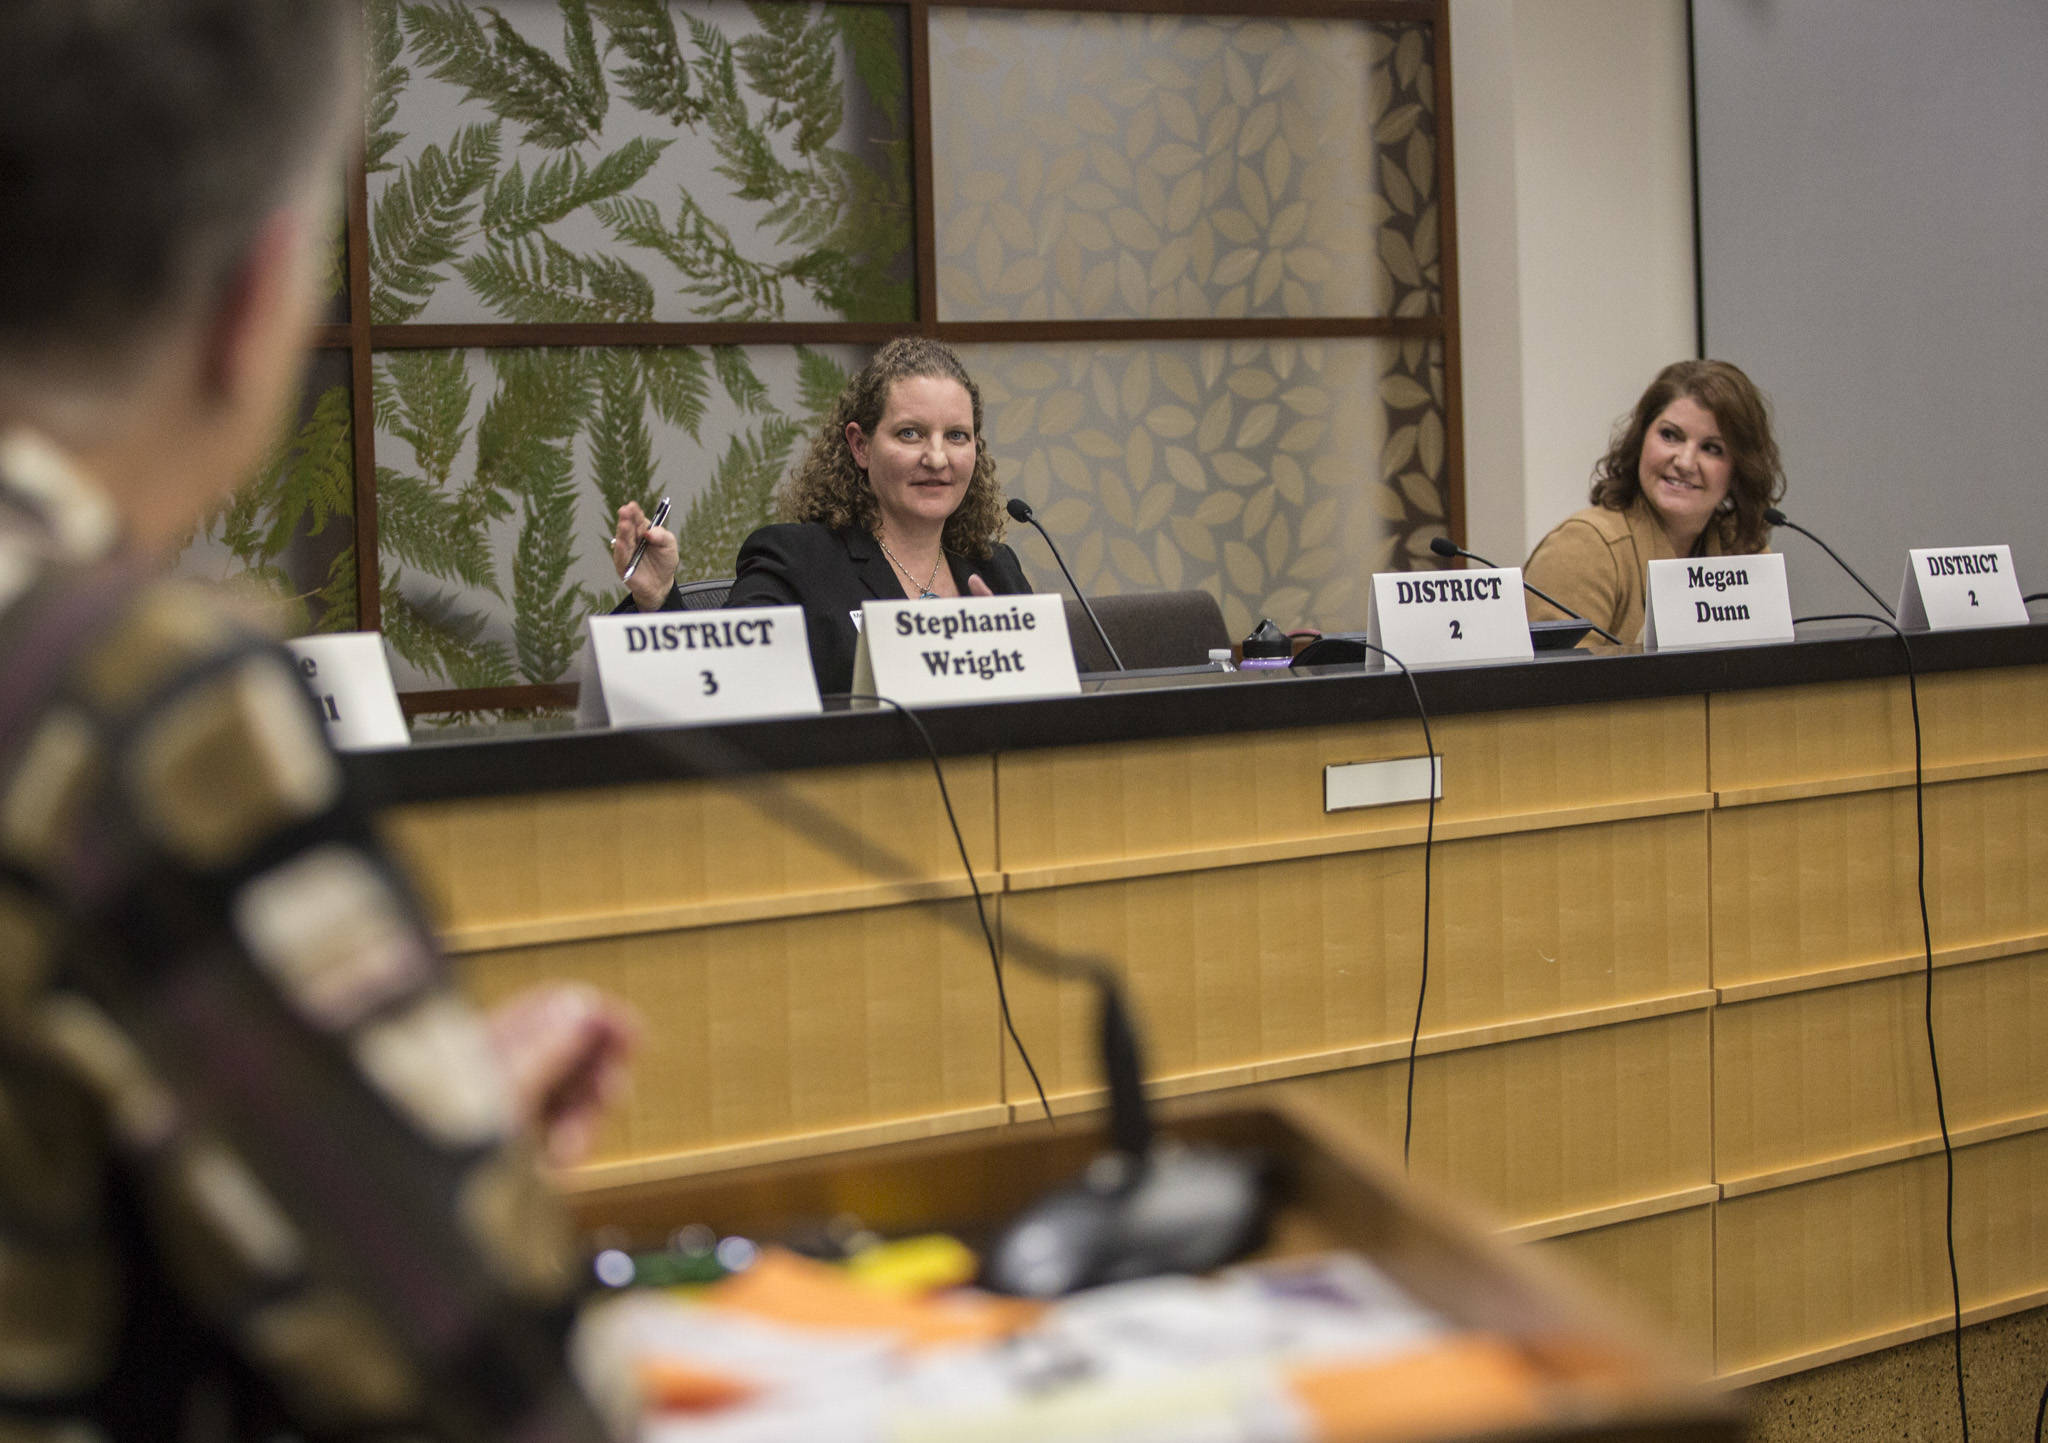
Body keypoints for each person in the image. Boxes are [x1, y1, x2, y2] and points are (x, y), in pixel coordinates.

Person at [0, 5, 632, 1439]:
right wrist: (439, 1164)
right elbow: (501, 1388)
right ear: (254, 300)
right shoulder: (133, 696)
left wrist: (369, 1100)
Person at [613, 338, 1031, 691]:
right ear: (860, 445)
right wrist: (658, 601)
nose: (937, 458)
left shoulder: (995, 569)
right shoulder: (798, 561)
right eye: (910, 433)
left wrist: (1018, 670)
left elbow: (1077, 699)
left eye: (956, 436)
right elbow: (722, 684)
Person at [1522, 359, 1786, 647]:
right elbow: (1559, 686)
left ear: (1739, 470)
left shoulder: (1740, 551)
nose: (1685, 463)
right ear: (1640, 440)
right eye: (1670, 436)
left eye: (1712, 448)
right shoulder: (1583, 546)